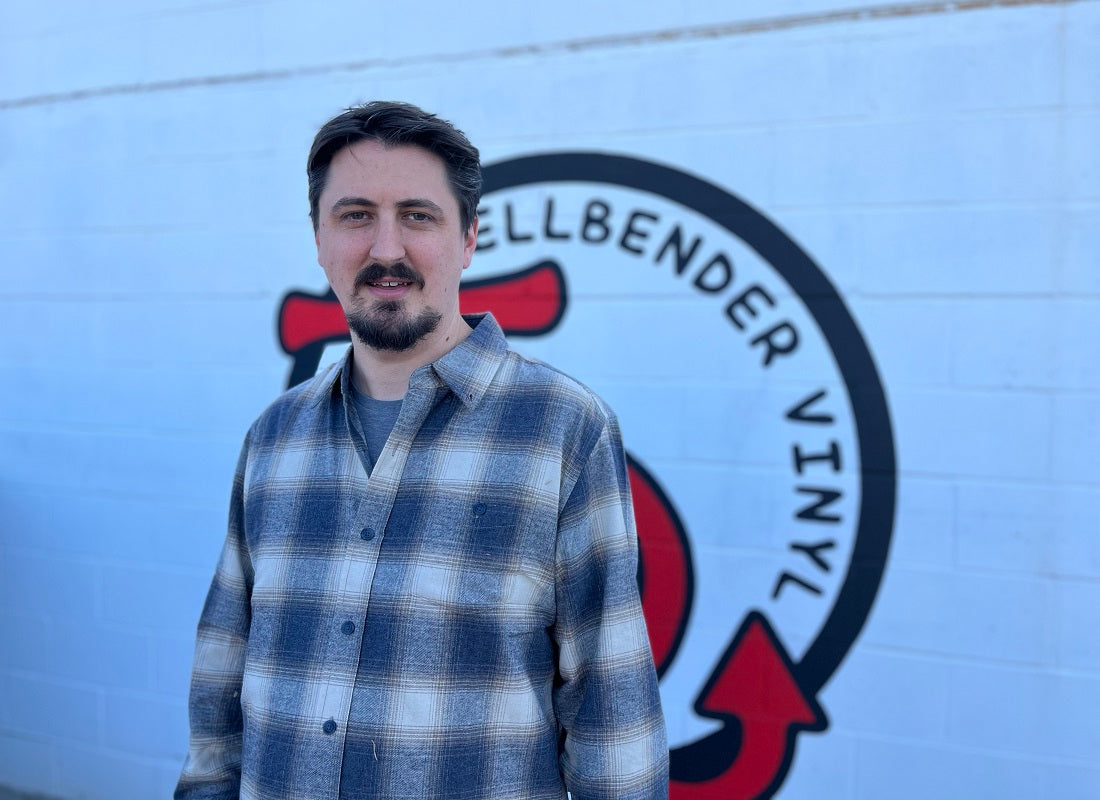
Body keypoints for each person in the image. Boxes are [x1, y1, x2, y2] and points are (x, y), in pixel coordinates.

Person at [175, 100, 668, 800]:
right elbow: (222, 673)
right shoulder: (273, 438)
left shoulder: (563, 430)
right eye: (354, 216)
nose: (385, 250)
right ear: (318, 239)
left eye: (417, 215)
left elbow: (611, 710)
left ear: (468, 237)